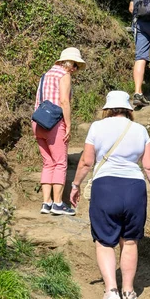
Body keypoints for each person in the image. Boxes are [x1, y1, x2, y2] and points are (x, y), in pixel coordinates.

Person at [70, 90, 150, 299]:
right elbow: (148, 166)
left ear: (108, 108)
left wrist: (75, 185)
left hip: (106, 188)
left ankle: (111, 289)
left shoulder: (97, 127)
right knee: (129, 242)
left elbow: (86, 162)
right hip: (134, 189)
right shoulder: (140, 130)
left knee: (104, 241)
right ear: (129, 109)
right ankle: (129, 292)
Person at [32, 47, 86, 216]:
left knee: (48, 163)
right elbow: (64, 101)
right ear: (68, 63)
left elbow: (38, 101)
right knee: (60, 163)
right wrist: (68, 124)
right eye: (75, 65)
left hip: (38, 122)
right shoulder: (64, 75)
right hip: (54, 124)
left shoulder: (45, 75)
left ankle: (46, 202)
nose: (75, 69)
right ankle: (57, 203)